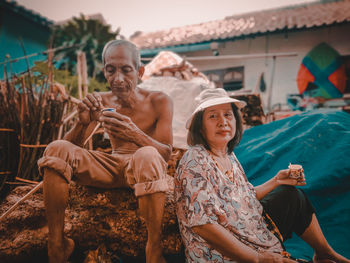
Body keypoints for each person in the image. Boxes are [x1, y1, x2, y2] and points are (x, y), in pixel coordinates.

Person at [174, 88, 349, 263]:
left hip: (247, 232)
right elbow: (203, 225)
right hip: (217, 253)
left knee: (290, 194)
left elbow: (244, 197)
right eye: (213, 116)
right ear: (200, 127)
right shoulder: (195, 160)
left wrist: (277, 180)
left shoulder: (228, 156)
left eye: (228, 115)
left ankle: (324, 252)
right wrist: (257, 258)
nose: (222, 122)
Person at [38, 39, 173, 263]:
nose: (118, 78)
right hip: (111, 166)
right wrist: (82, 123)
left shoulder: (159, 101)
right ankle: (56, 245)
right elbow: (71, 151)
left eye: (126, 70)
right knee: (56, 148)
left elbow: (165, 155)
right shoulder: (101, 100)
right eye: (111, 70)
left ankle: (154, 250)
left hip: (143, 168)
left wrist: (134, 133)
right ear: (104, 72)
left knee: (147, 154)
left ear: (139, 71)